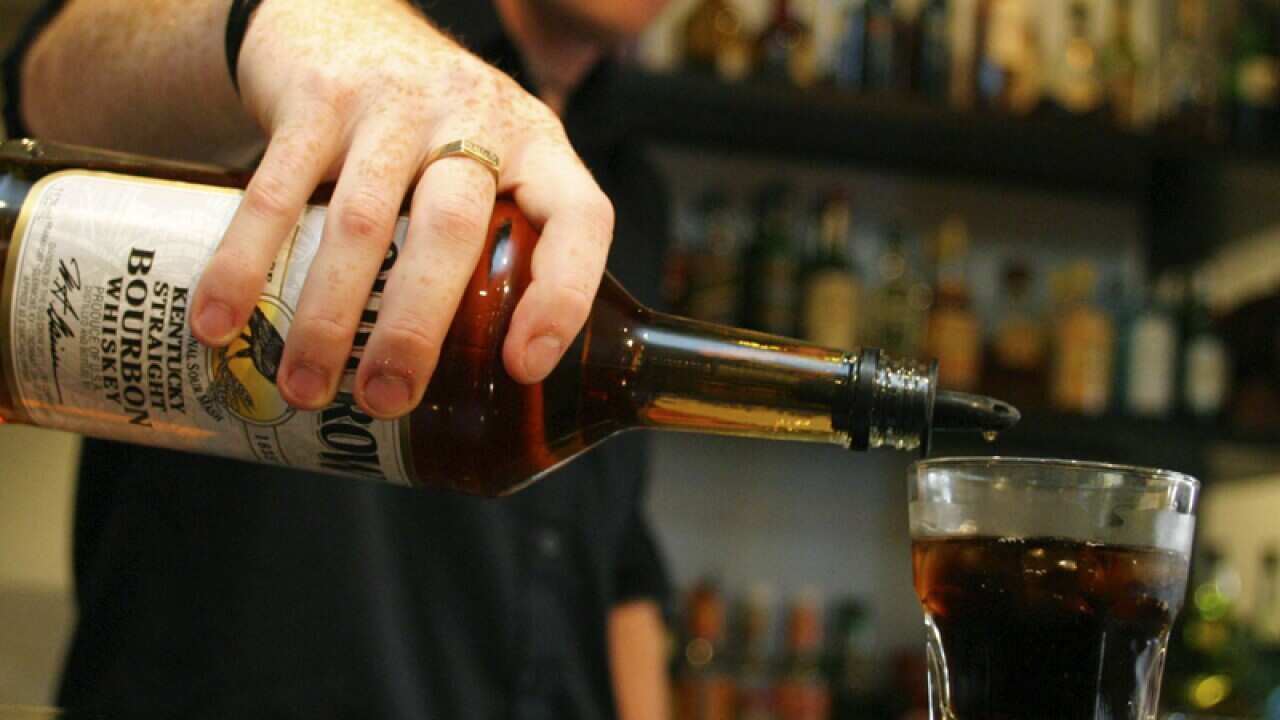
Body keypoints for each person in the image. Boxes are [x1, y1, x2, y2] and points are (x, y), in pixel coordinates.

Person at [4, 0, 674, 717]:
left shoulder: (633, 188)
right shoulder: (347, 43)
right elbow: (47, 88)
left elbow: (612, 551)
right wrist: (275, 23)